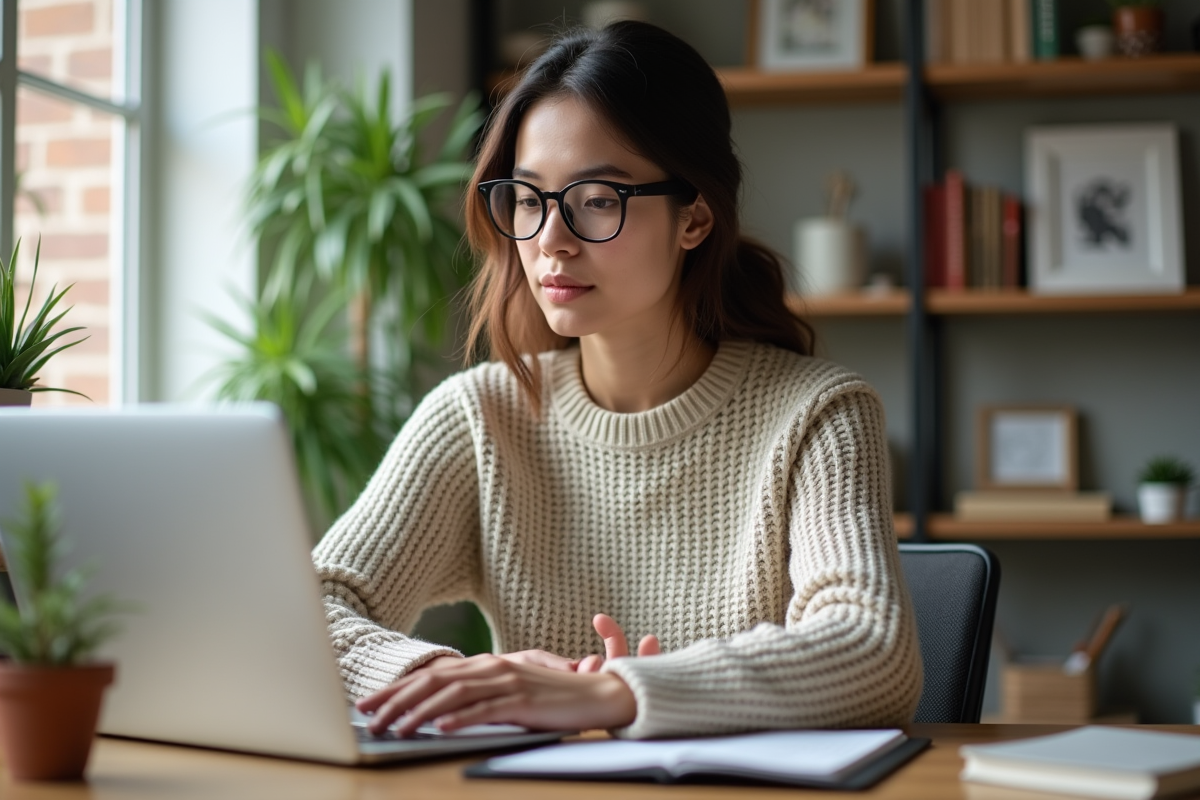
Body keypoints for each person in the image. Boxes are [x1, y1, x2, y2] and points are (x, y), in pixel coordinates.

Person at [313, 20, 922, 740]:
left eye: (598, 199)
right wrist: (440, 682)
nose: (550, 241)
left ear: (693, 217)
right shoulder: (480, 416)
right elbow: (311, 606)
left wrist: (618, 694)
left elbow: (873, 651)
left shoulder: (818, 414)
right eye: (530, 199)